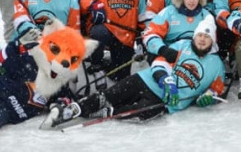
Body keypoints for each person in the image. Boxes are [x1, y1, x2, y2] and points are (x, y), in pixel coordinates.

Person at [44, 16, 224, 128]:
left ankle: (107, 112)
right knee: (109, 95)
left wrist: (207, 97)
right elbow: (160, 63)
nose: (202, 39)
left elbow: (216, 89)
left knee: (137, 113)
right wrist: (165, 80)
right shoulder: (182, 45)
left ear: (212, 40)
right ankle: (70, 111)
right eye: (200, 35)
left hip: (164, 102)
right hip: (145, 80)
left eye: (207, 37)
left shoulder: (217, 65)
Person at [144, 0, 214, 62]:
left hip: (196, 61)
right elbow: (149, 34)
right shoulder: (168, 12)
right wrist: (162, 49)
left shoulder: (206, 16)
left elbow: (212, 45)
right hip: (170, 57)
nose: (192, 1)